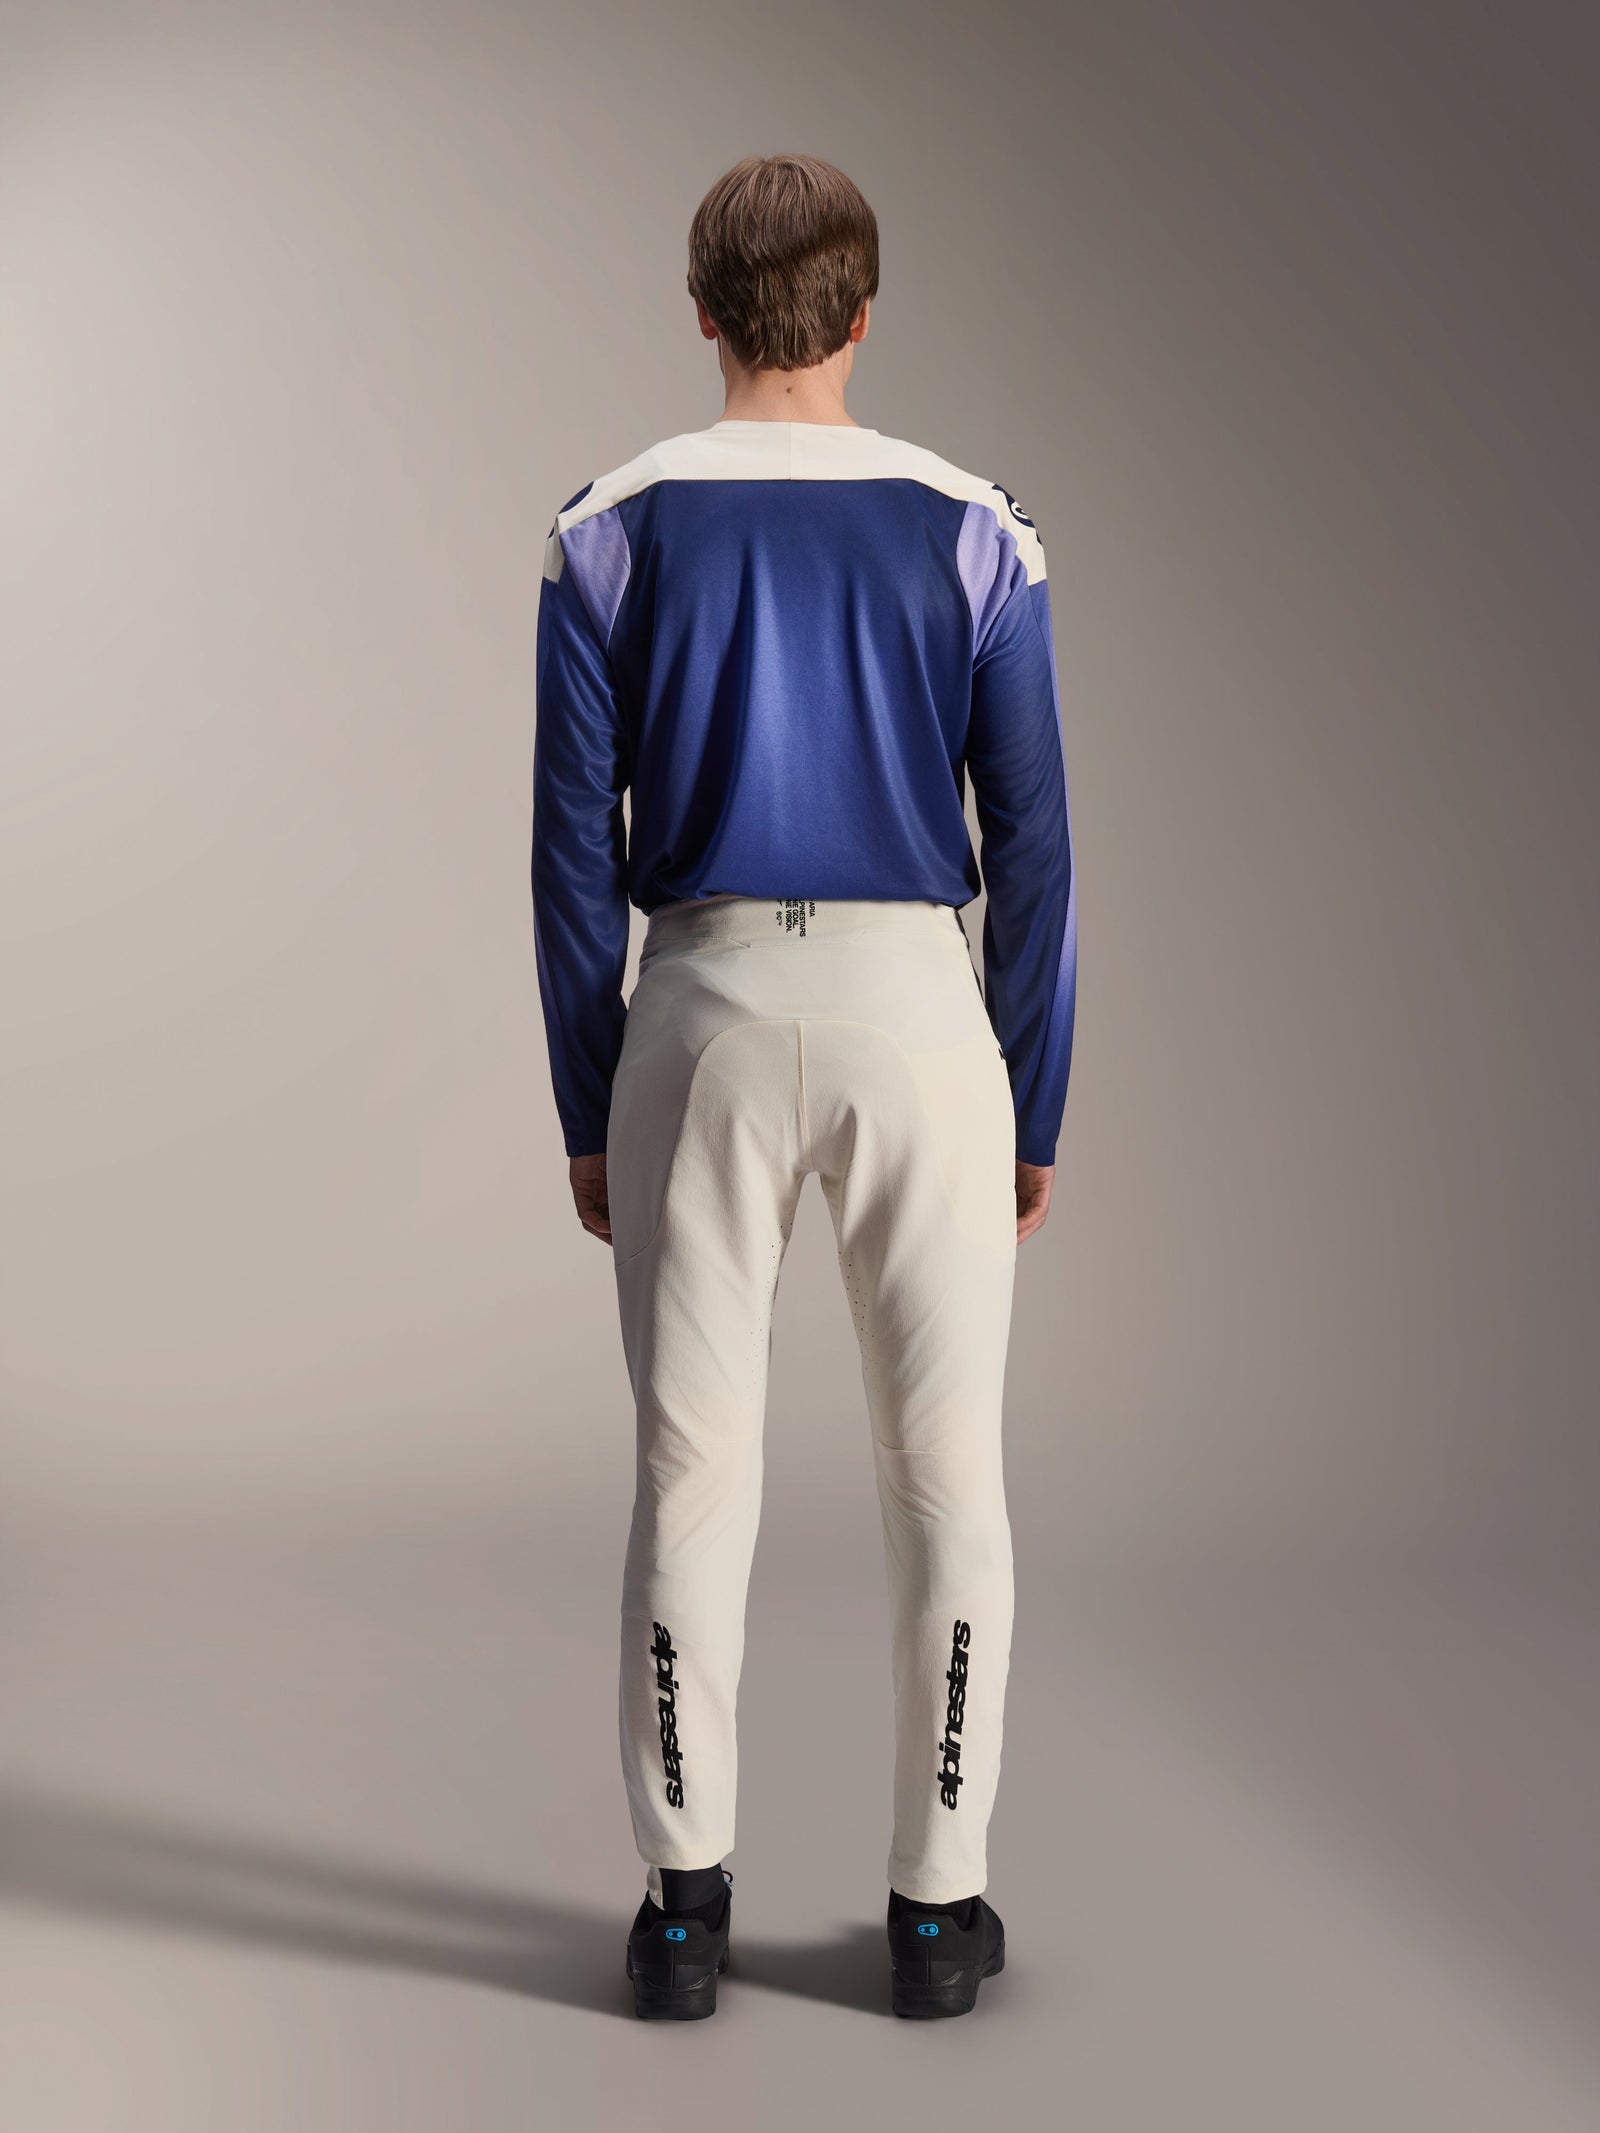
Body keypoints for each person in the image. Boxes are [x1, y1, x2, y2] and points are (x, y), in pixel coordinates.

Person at [531, 152, 1075, 2021]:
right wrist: (1037, 1098)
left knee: (691, 1469)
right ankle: (937, 1911)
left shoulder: (607, 528)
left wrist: (588, 1100)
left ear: (701, 311)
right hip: (921, 1010)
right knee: (950, 1473)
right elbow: (1035, 845)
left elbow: (570, 856)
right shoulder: (977, 528)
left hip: (697, 1005)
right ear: (863, 313)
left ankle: (684, 1912)